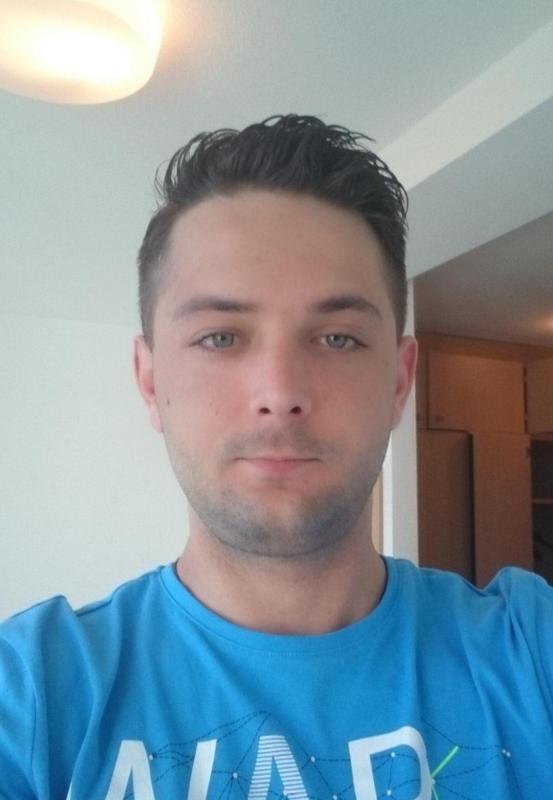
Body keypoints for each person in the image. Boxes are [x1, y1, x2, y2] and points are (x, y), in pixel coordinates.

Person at [0, 115, 551, 800]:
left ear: (399, 382)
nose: (280, 393)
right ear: (149, 380)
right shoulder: (33, 693)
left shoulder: (530, 651)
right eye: (220, 337)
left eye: (338, 338)